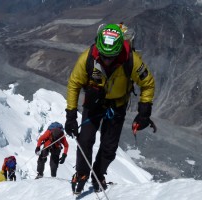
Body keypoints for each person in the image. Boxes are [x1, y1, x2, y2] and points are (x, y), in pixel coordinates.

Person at [64, 24, 155, 194]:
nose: (106, 60)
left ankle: (98, 174)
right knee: (85, 140)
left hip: (117, 105)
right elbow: (74, 84)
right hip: (93, 105)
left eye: (111, 56)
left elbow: (147, 83)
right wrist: (70, 115)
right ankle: (82, 173)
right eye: (104, 56)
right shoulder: (88, 58)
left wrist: (144, 112)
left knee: (109, 147)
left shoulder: (131, 60)